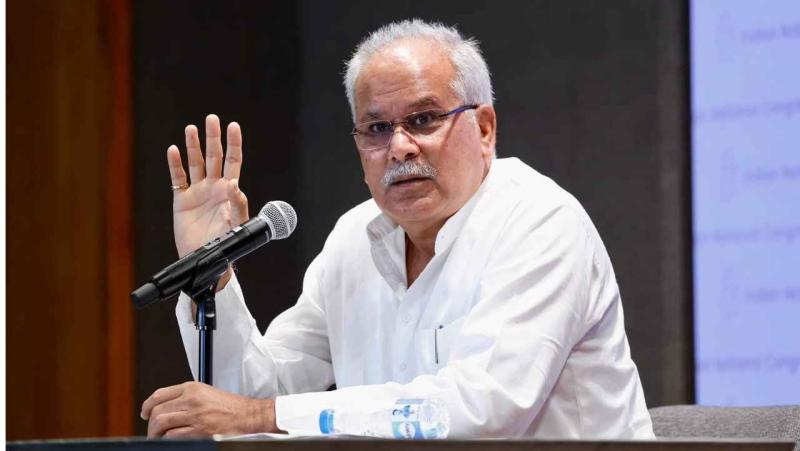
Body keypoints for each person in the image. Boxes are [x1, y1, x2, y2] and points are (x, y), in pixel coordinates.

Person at [141, 19, 654, 439]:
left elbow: (482, 409)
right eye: (378, 129)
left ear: (484, 129)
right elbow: (249, 401)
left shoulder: (540, 222)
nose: (400, 147)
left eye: (424, 119)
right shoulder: (353, 240)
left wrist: (262, 416)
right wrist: (214, 274)